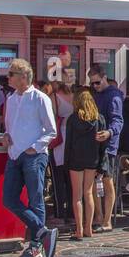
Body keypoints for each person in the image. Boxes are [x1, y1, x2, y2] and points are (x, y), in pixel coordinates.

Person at [2, 58, 59, 257]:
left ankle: (35, 246)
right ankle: (43, 231)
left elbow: (51, 130)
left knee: (36, 199)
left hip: (34, 154)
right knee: (8, 199)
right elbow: (10, 125)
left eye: (11, 74)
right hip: (14, 154)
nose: (7, 78)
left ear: (24, 76)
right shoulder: (10, 99)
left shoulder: (40, 98)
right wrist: (6, 135)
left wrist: (33, 147)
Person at [64, 88, 106, 240]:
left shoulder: (72, 119)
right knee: (88, 193)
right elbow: (103, 145)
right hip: (92, 159)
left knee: (77, 196)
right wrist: (101, 162)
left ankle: (79, 229)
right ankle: (89, 227)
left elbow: (68, 144)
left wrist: (66, 161)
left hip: (75, 159)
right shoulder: (99, 119)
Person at [88, 66, 124, 232]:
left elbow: (118, 121)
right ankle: (99, 216)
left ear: (104, 78)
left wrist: (109, 132)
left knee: (107, 181)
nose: (95, 86)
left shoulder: (113, 95)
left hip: (108, 145)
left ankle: (107, 220)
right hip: (95, 144)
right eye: (92, 83)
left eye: (97, 82)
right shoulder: (95, 94)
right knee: (94, 181)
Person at [50, 82, 74, 221]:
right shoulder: (76, 95)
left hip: (59, 138)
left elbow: (51, 120)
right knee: (71, 178)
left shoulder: (54, 97)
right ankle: (72, 211)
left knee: (58, 178)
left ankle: (59, 212)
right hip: (73, 139)